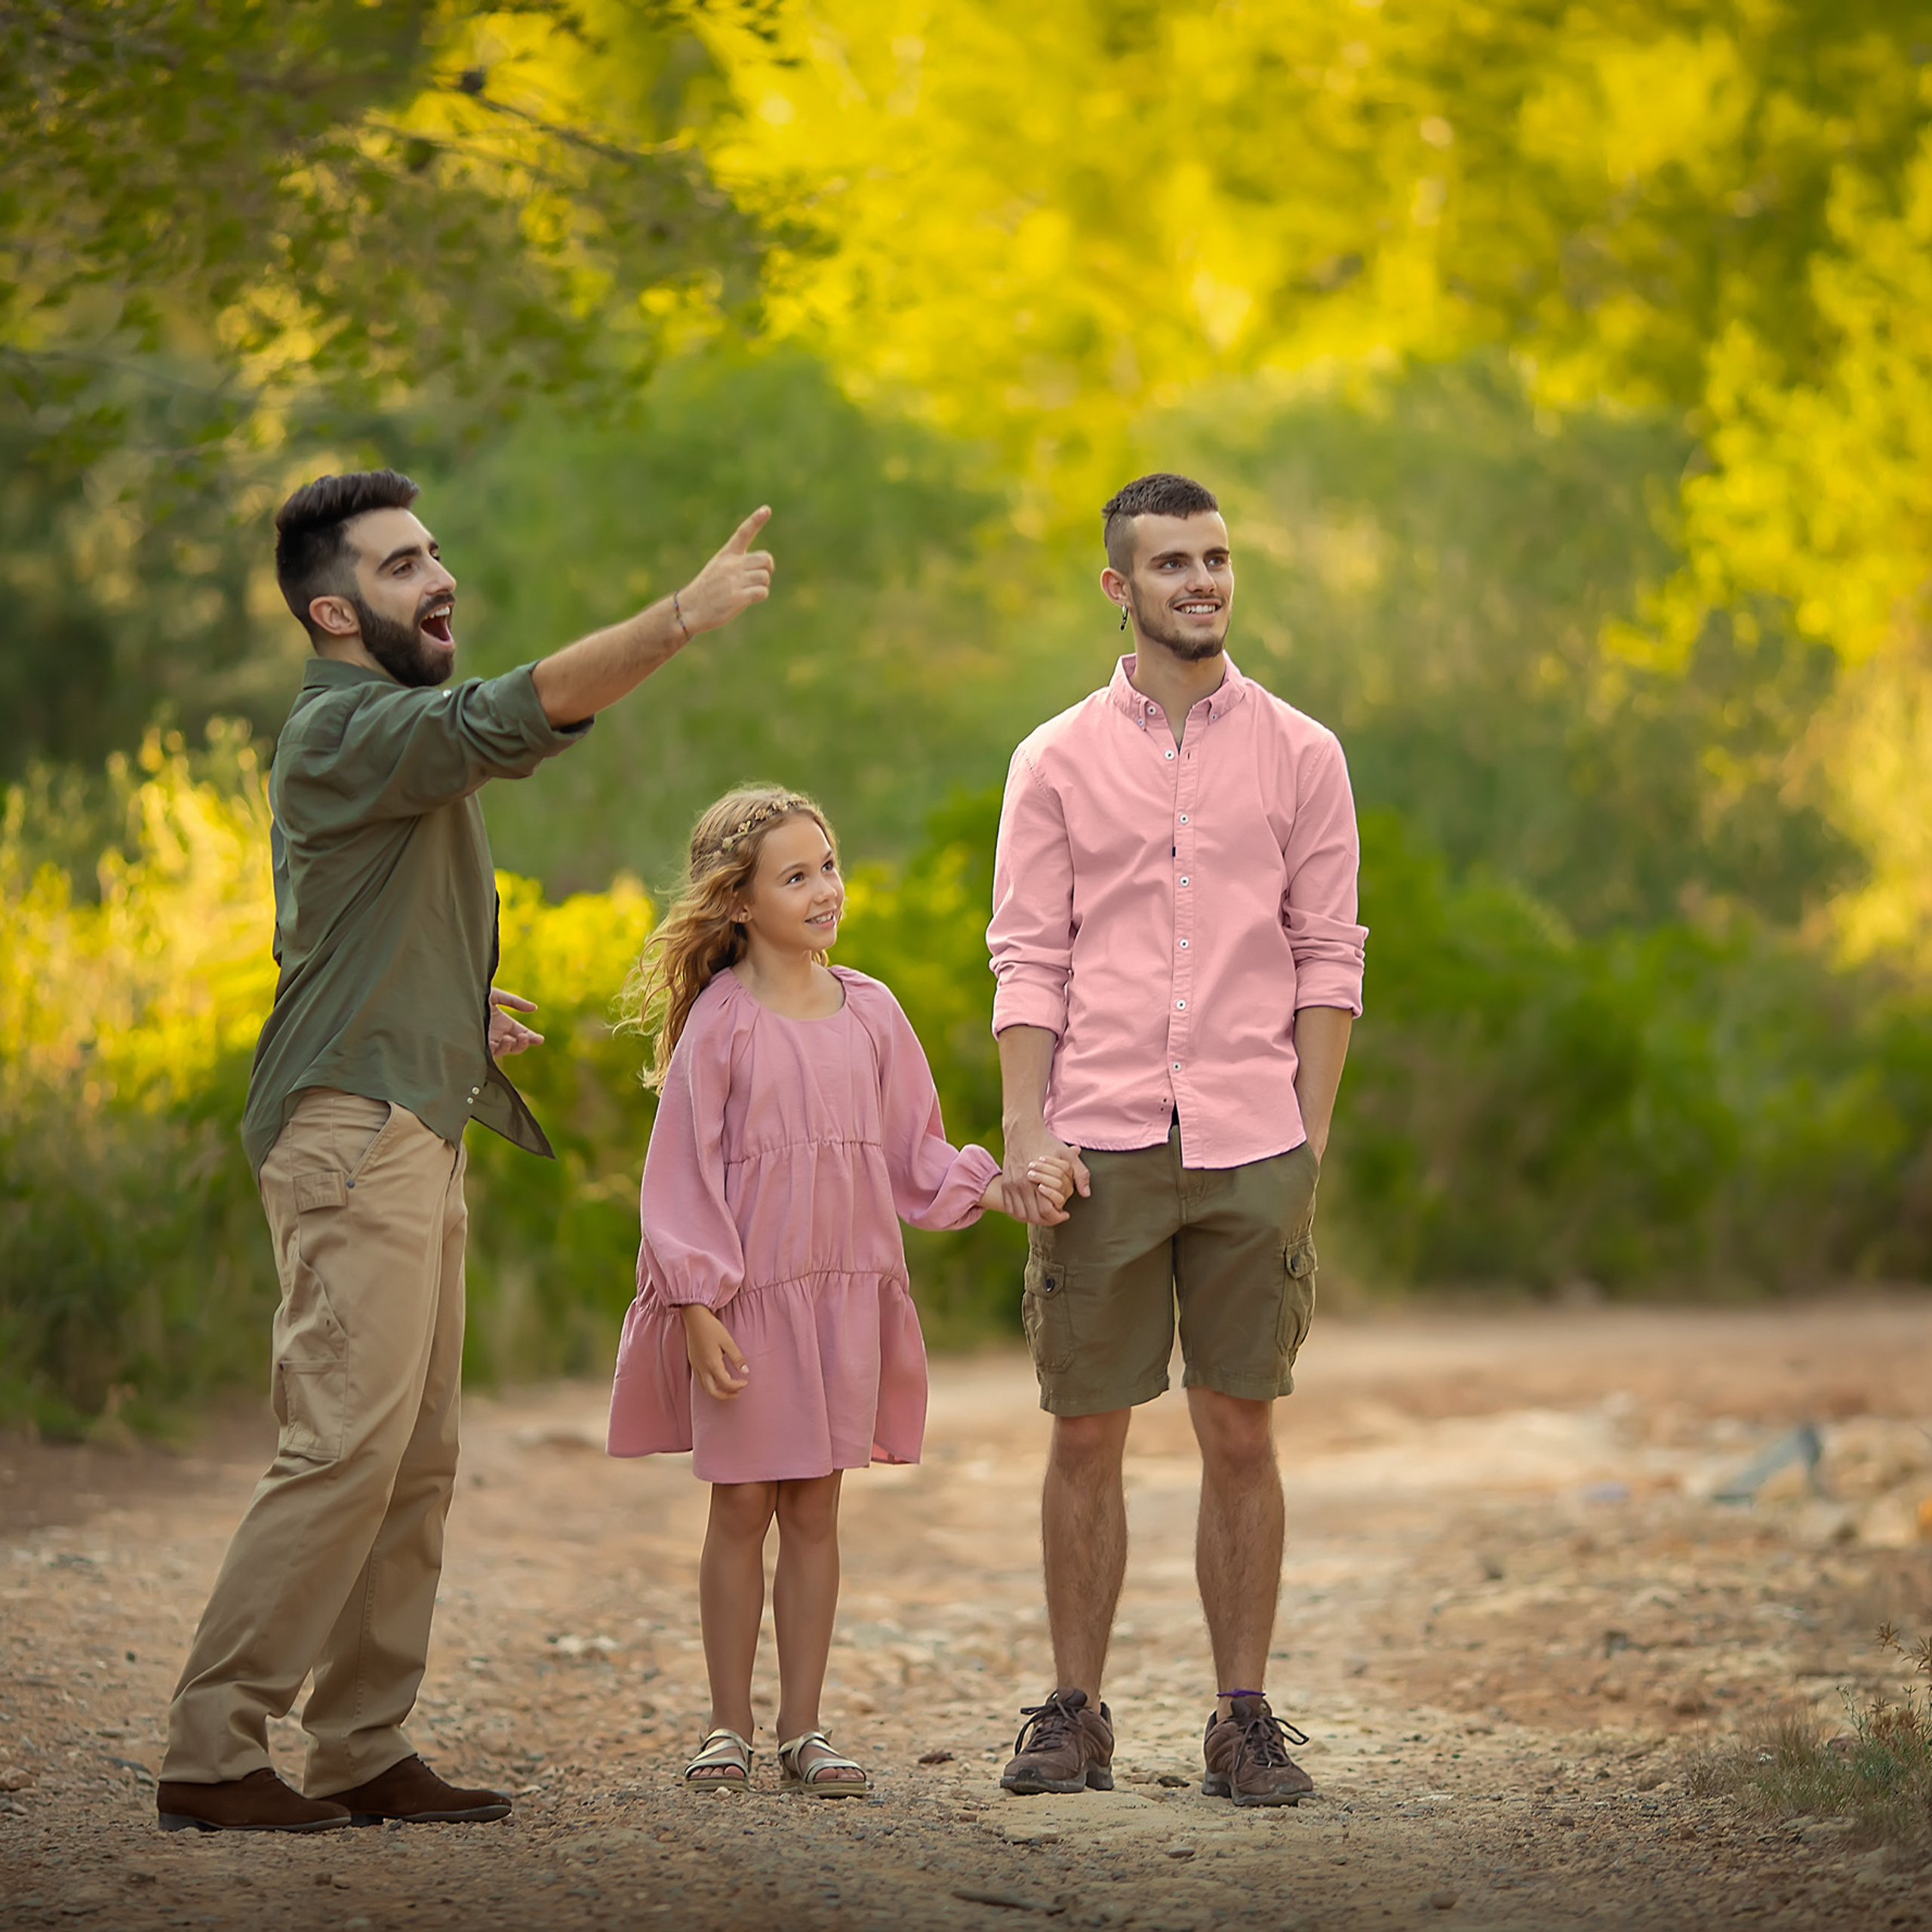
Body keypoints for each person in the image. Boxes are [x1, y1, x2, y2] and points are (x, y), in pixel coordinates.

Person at [157, 469, 776, 1835]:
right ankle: (213, 1750)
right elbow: (511, 717)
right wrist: (680, 616)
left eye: (434, 553)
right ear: (332, 609)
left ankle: (362, 1741)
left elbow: (328, 921)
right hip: (350, 1134)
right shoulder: (345, 728)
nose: (437, 578)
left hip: (410, 1120)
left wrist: (449, 997)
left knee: (414, 1460)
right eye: (398, 567)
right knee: (339, 1449)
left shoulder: (376, 739)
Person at [988, 472, 1367, 1807]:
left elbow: (1330, 958)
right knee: (1086, 1433)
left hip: (1255, 1142)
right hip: (1097, 1144)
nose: (1200, 581)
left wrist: (1305, 1141)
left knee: (1240, 1433)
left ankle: (1242, 1717)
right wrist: (1027, 1133)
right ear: (1119, 587)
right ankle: (1075, 1713)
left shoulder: (1305, 755)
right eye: (1171, 564)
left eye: (1215, 558)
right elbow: (1028, 962)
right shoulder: (1054, 760)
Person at [605, 786, 1074, 1794]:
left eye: (828, 866)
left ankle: (803, 1730)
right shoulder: (722, 1024)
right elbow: (680, 1171)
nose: (827, 890)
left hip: (841, 1301)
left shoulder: (872, 1011)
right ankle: (725, 1729)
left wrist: (995, 1188)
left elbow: (914, 1151)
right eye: (797, 875)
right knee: (741, 1508)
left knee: (815, 1509)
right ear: (739, 901)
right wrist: (693, 1303)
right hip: (746, 1303)